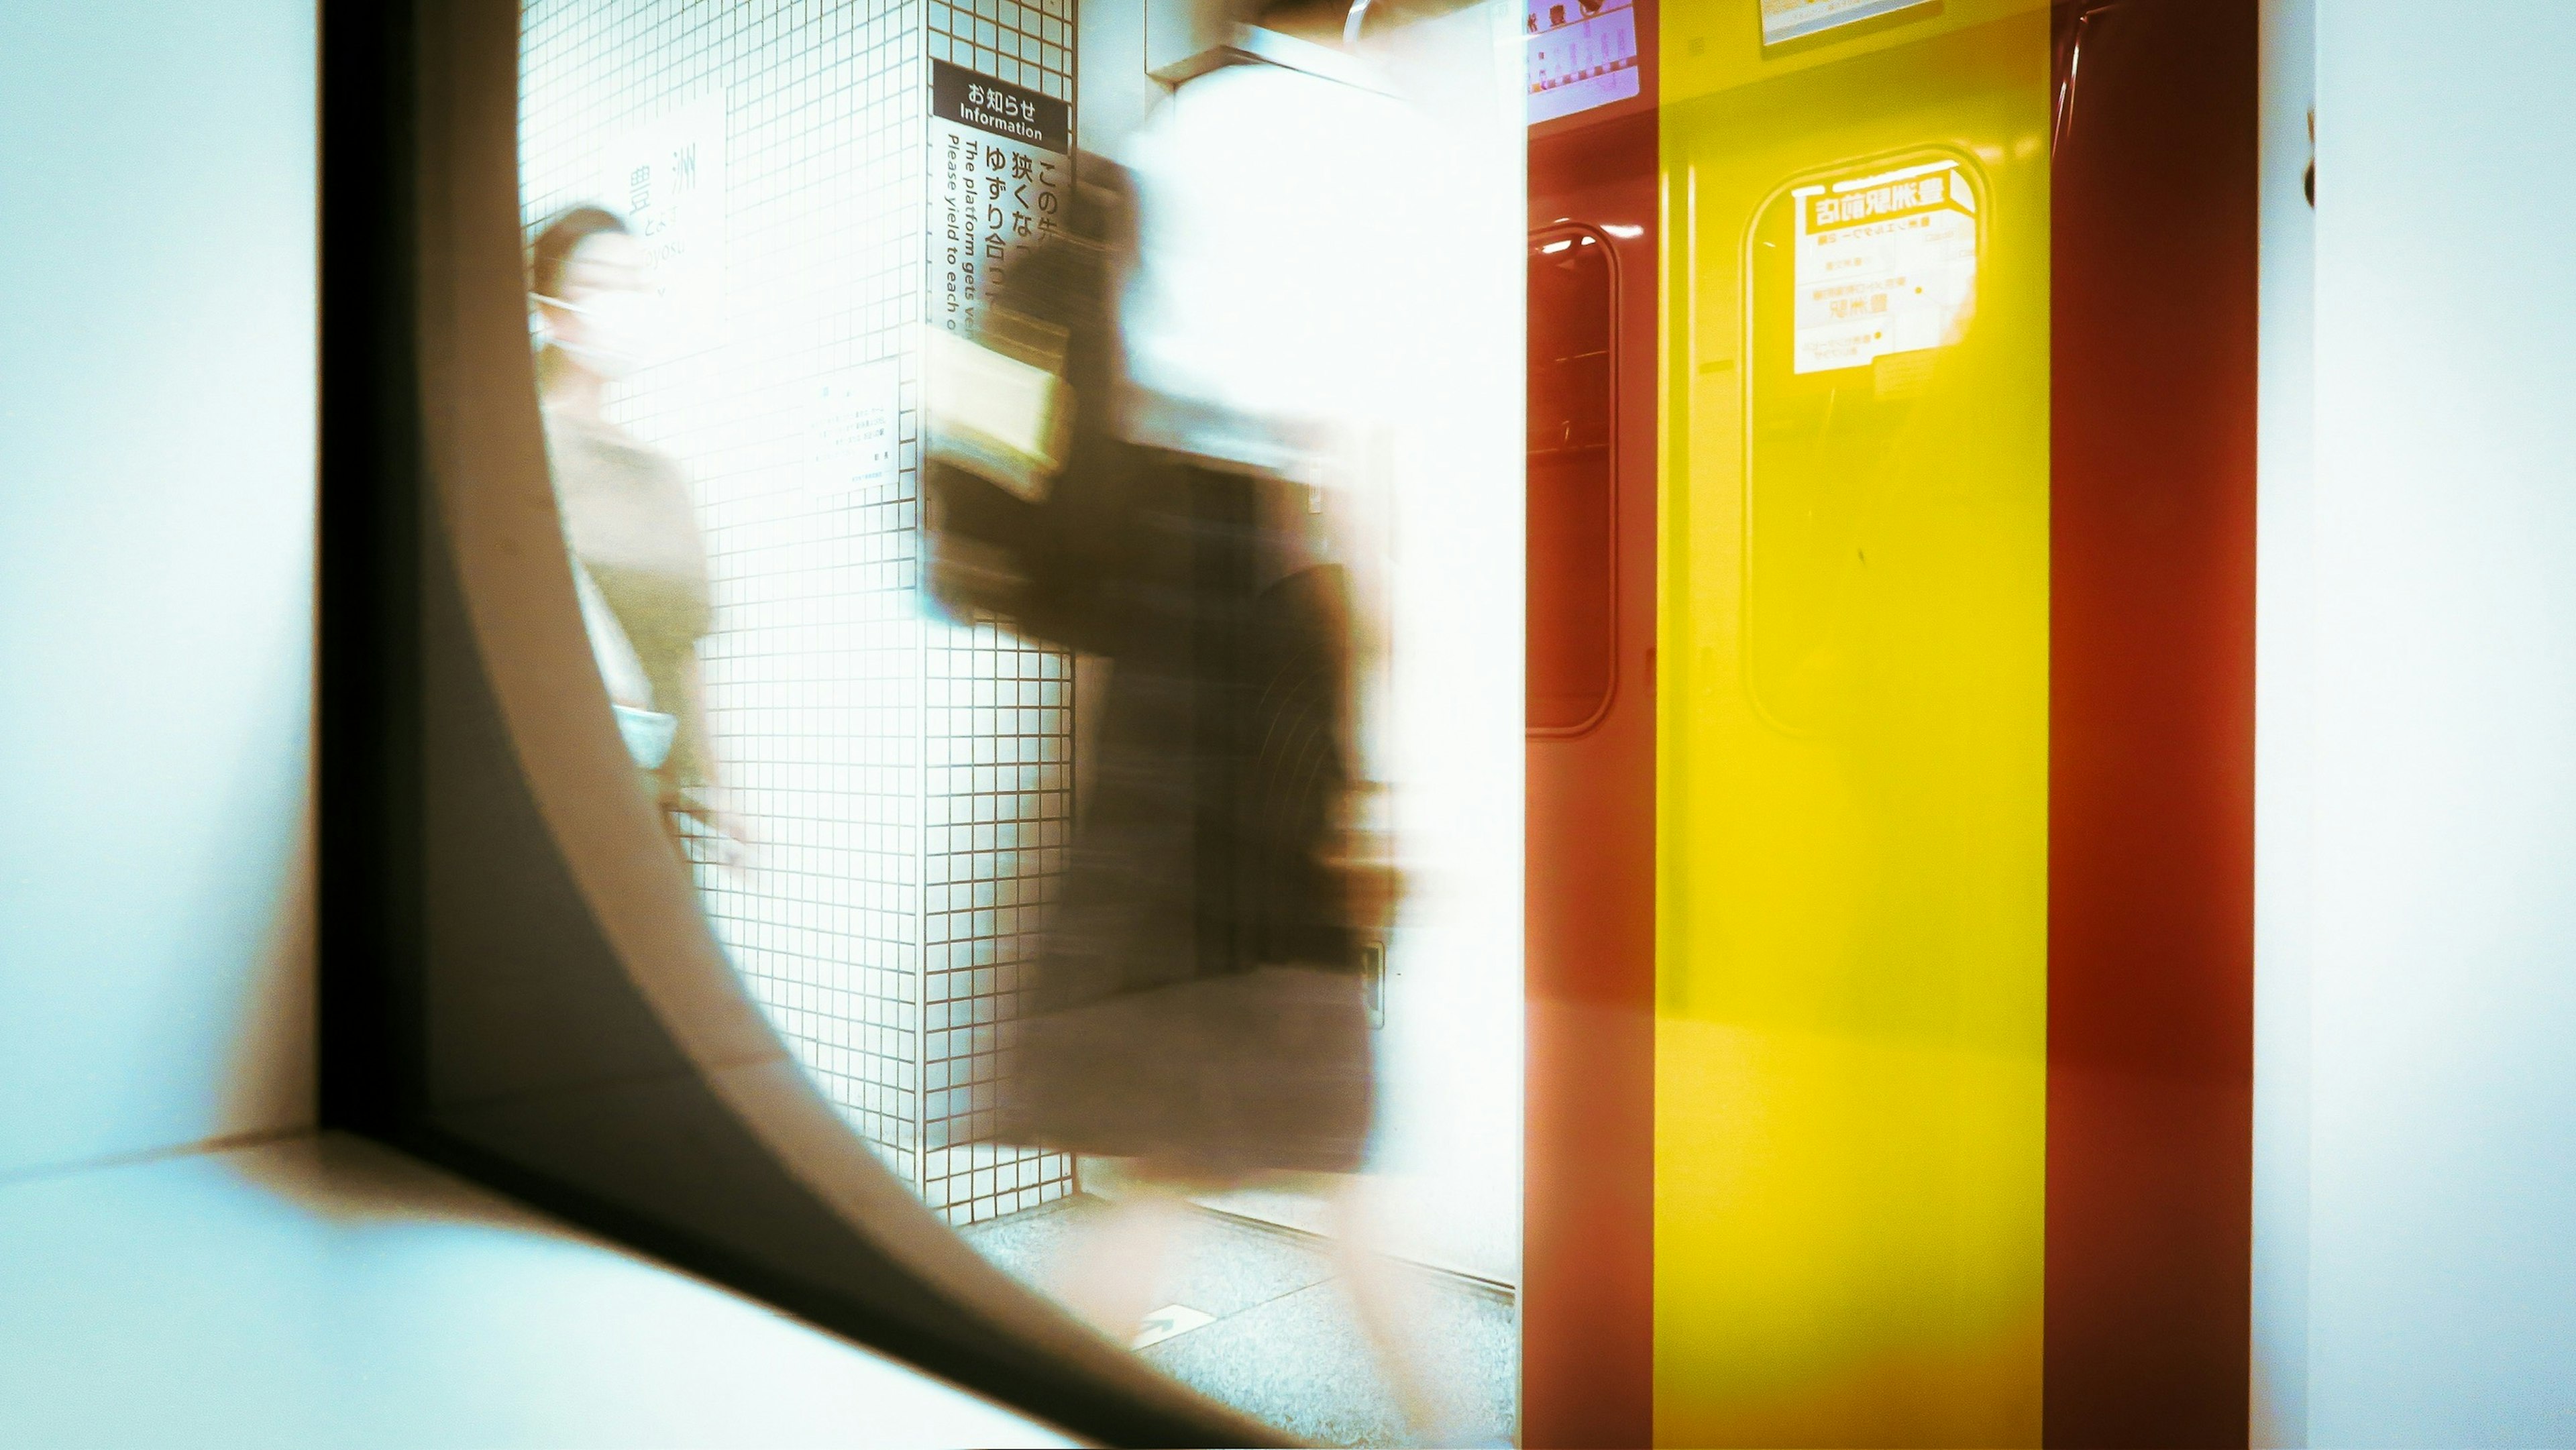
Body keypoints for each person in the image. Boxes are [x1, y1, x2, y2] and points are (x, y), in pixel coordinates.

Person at [926, 0, 1450, 1437]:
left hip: (1166, 642)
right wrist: (1383, 761)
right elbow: (1346, 471)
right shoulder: (1347, 137)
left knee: (1190, 1124)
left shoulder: (1186, 123)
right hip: (1270, 634)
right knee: (1310, 1108)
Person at [528, 205, 745, 854]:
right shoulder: (521, 456)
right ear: (552, 307)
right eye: (600, 284)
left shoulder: (662, 475)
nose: (623, 303)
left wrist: (720, 789)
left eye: (636, 284)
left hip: (657, 812)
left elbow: (683, 656)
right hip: (556, 803)